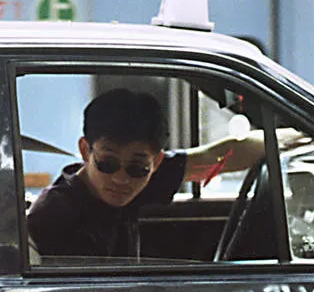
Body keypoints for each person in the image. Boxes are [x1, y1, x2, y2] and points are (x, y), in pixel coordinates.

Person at [26, 87, 287, 258]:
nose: (121, 178)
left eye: (138, 167)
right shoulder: (58, 217)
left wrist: (298, 135)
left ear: (156, 162)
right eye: (107, 163)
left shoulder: (134, 179)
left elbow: (219, 156)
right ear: (85, 151)